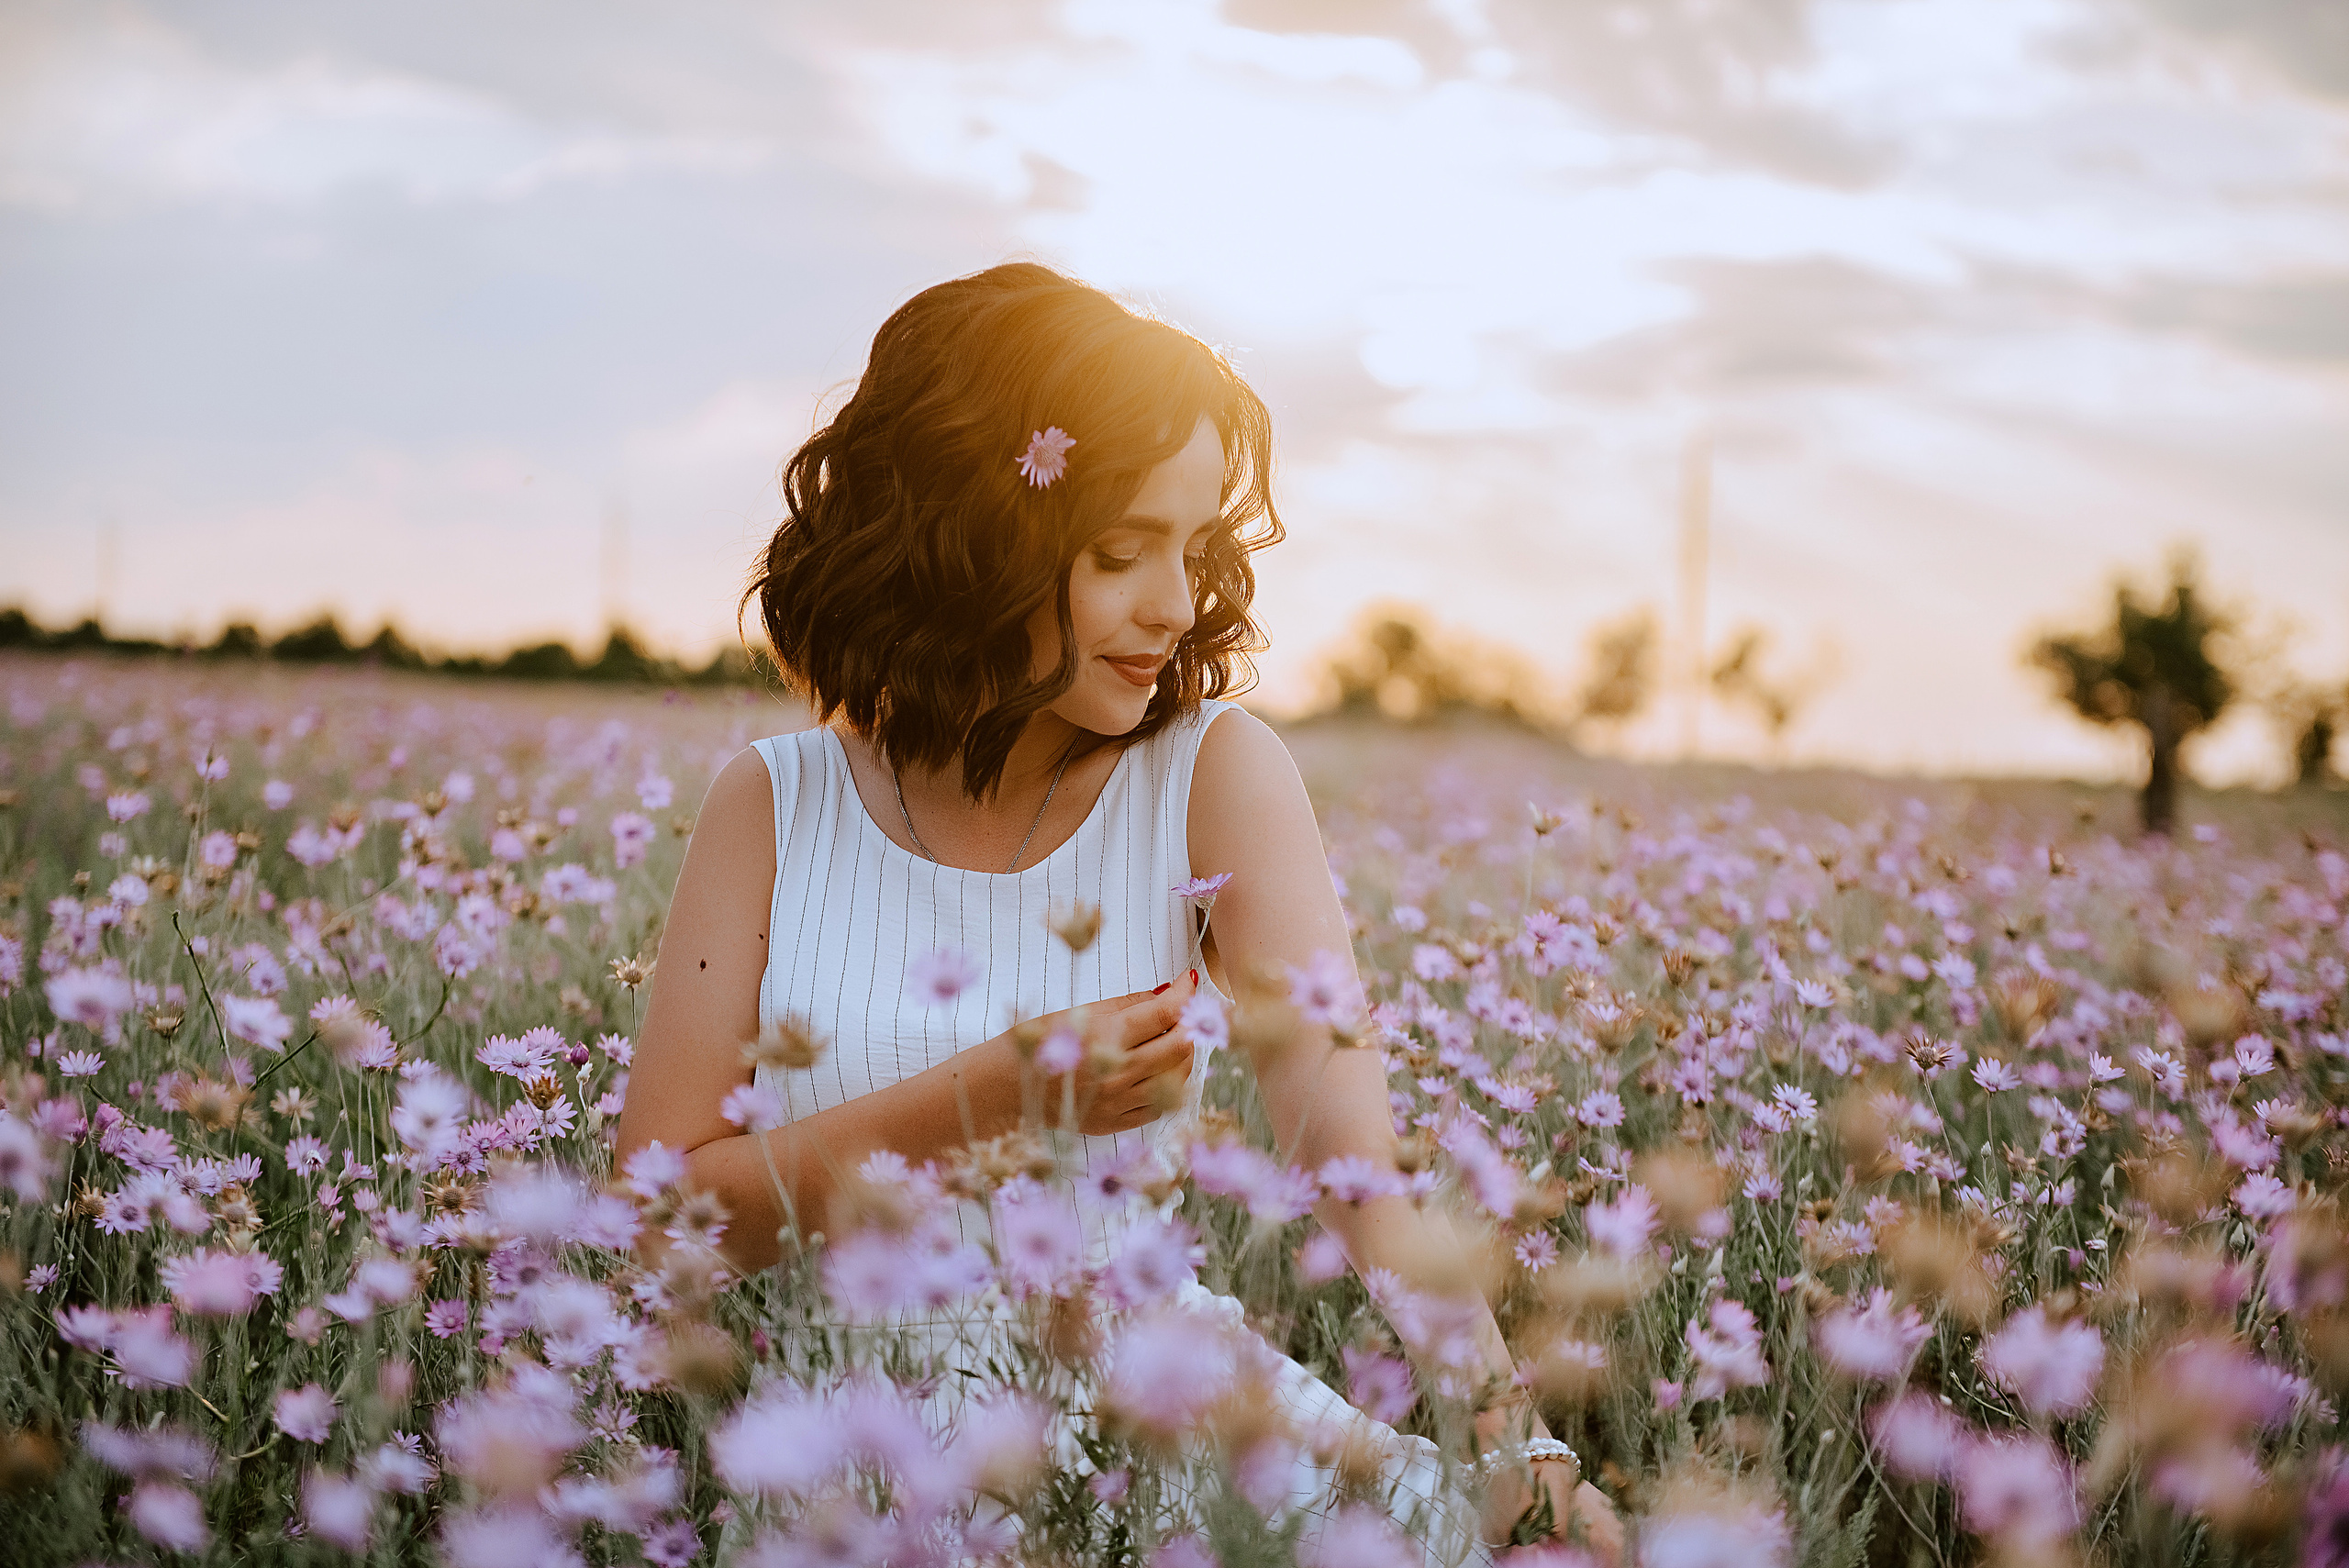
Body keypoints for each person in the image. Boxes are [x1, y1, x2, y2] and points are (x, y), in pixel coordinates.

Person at [614, 261, 1620, 1565]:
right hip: (846, 1485)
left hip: (1168, 1447)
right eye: (1119, 551)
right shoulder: (772, 804)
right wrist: (1004, 1090)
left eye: (1194, 548)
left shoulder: (1211, 773)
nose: (1176, 602)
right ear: (975, 537)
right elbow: (659, 1233)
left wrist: (1515, 1458)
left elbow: (1360, 1176)